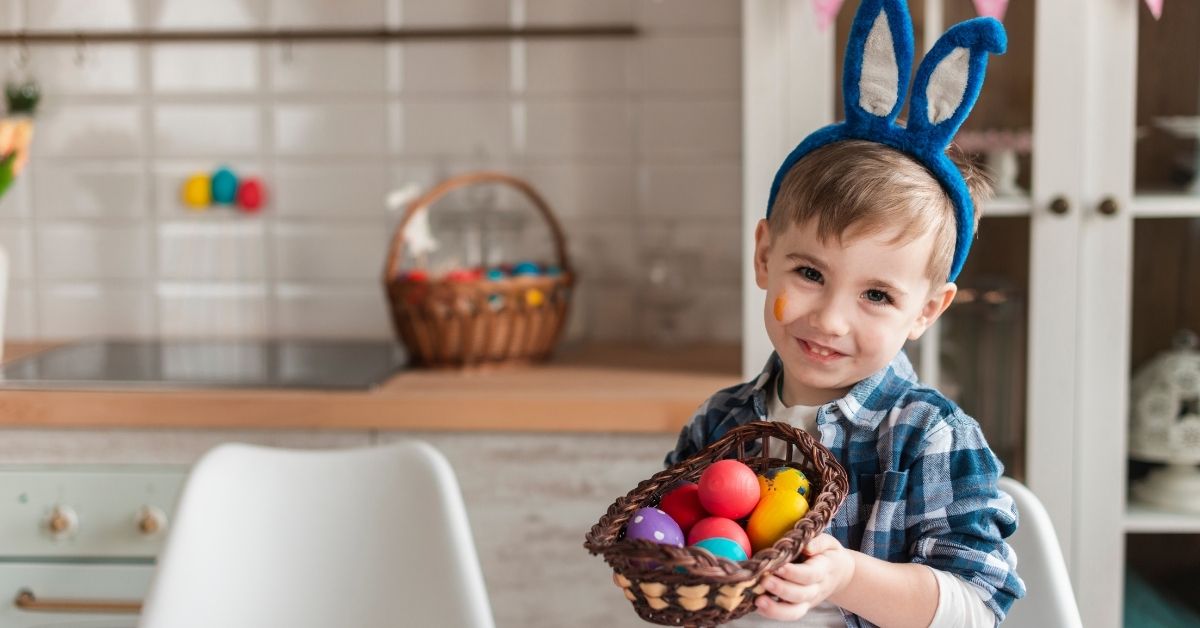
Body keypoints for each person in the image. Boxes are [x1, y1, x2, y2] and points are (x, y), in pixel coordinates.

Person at [664, 1, 1026, 626]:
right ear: (764, 256)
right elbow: (678, 544)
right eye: (809, 274)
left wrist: (848, 576)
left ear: (927, 310)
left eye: (877, 296)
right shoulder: (719, 423)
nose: (830, 319)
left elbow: (979, 610)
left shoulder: (927, 437)